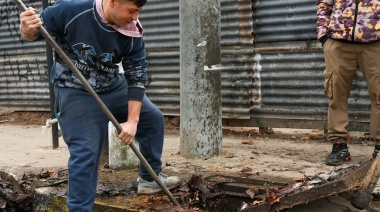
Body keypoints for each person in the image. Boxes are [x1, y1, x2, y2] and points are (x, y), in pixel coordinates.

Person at [19, 0, 181, 210]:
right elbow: (35, 33)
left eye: (138, 11)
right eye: (132, 10)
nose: (135, 17)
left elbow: (137, 76)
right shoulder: (71, 9)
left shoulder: (132, 31)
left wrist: (132, 121)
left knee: (152, 120)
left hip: (112, 85)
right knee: (86, 152)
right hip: (75, 89)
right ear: (112, 2)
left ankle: (150, 180)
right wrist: (26, 28)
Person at [317, 0, 380, 166]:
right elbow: (324, 4)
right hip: (338, 42)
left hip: (376, 43)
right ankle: (339, 145)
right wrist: (324, 36)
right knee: (336, 94)